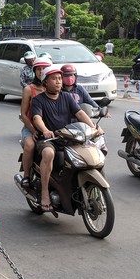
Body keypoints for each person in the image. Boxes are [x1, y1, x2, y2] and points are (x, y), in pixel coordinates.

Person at [32, 65, 103, 211]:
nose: (58, 81)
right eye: (54, 79)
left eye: (59, 78)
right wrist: (45, 130)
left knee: (89, 152)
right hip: (48, 139)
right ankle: (45, 192)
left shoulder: (67, 97)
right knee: (48, 153)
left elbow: (80, 114)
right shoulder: (38, 100)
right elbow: (37, 117)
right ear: (45, 82)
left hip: (68, 137)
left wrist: (94, 127)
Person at [19, 56, 52, 187]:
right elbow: (24, 114)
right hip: (31, 127)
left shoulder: (55, 88)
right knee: (30, 145)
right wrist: (33, 131)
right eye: (38, 69)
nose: (41, 71)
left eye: (44, 68)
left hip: (51, 127)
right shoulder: (29, 89)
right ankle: (26, 175)